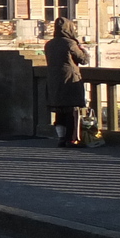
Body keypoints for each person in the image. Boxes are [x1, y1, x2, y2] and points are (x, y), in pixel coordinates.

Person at [44, 16, 90, 147]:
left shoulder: (49, 44)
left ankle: (61, 138)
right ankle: (72, 139)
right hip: (69, 80)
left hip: (54, 80)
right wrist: (83, 50)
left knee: (59, 111)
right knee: (71, 111)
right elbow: (83, 60)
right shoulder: (70, 43)